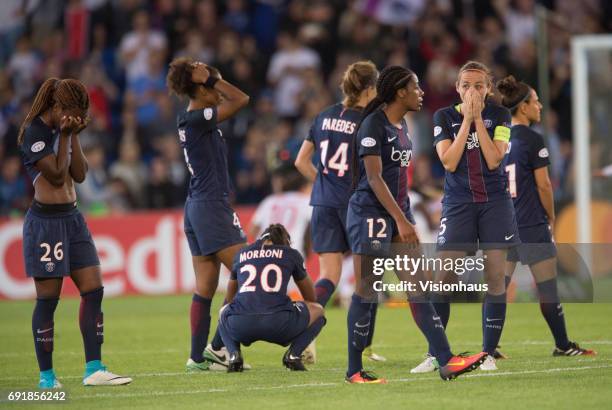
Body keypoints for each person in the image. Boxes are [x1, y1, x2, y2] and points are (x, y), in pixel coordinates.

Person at [345, 65, 487, 384]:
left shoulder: (403, 127)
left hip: (398, 216)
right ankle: (353, 370)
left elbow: (398, 182)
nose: (421, 93)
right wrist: (399, 219)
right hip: (370, 214)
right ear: (399, 92)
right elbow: (373, 177)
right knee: (367, 291)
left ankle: (446, 360)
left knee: (419, 288)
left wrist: (405, 218)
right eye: (416, 87)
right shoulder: (373, 126)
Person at [19, 78, 132, 388]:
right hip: (46, 224)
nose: (73, 118)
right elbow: (55, 176)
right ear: (55, 107)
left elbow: (79, 175)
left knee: (94, 289)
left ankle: (94, 369)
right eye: (70, 112)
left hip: (73, 219)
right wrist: (67, 136)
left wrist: (75, 136)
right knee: (48, 300)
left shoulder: (64, 131)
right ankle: (47, 378)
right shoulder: (35, 132)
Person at [419, 61, 519, 373]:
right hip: (459, 202)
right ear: (457, 88)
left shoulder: (501, 115)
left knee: (494, 278)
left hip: (494, 202)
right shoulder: (444, 117)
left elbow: (493, 159)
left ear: (489, 88)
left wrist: (477, 120)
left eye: (478, 86)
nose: (472, 91)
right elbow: (448, 162)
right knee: (443, 278)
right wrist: (468, 121)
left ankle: (488, 352)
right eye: (466, 85)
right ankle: (437, 354)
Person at [497, 75, 595, 357]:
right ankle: (563, 345)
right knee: (547, 289)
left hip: (503, 223)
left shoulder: (498, 140)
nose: (540, 105)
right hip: (530, 222)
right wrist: (550, 216)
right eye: (536, 101)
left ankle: (489, 348)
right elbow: (543, 184)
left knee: (498, 289)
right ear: (523, 107)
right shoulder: (532, 138)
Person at [295, 60, 386, 363]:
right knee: (368, 278)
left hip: (322, 202)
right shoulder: (367, 122)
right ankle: (366, 348)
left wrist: (324, 181)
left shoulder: (323, 116)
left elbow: (301, 162)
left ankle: (304, 338)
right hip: (355, 204)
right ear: (370, 88)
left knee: (328, 276)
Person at [166, 57, 250, 371]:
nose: (219, 91)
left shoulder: (195, 119)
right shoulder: (198, 118)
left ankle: (198, 356)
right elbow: (241, 99)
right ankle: (217, 346)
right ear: (201, 89)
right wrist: (212, 79)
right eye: (213, 85)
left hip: (199, 206)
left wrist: (210, 78)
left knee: (205, 286)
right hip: (210, 206)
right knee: (250, 273)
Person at [217, 224, 326, 372]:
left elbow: (229, 298)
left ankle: (234, 356)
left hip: (241, 325)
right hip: (279, 323)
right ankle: (293, 356)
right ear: (284, 242)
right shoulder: (290, 253)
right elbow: (310, 297)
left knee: (223, 311)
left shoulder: (241, 254)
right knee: (318, 311)